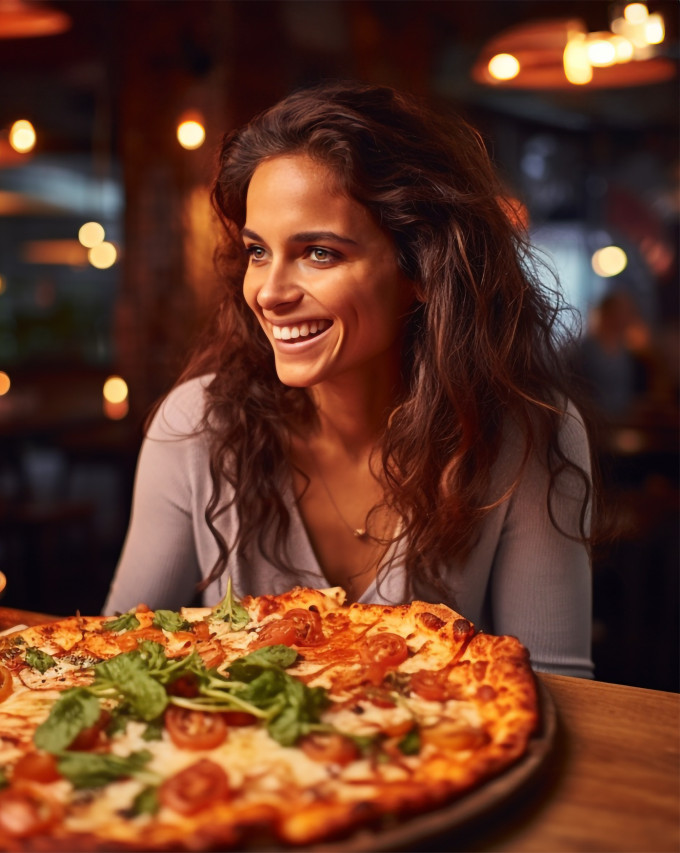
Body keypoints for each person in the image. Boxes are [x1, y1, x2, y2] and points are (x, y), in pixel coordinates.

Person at [103, 81, 596, 678]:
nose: (270, 293)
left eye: (319, 253)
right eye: (259, 251)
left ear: (421, 267)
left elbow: (559, 688)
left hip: (448, 765)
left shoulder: (530, 431)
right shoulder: (197, 424)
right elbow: (115, 659)